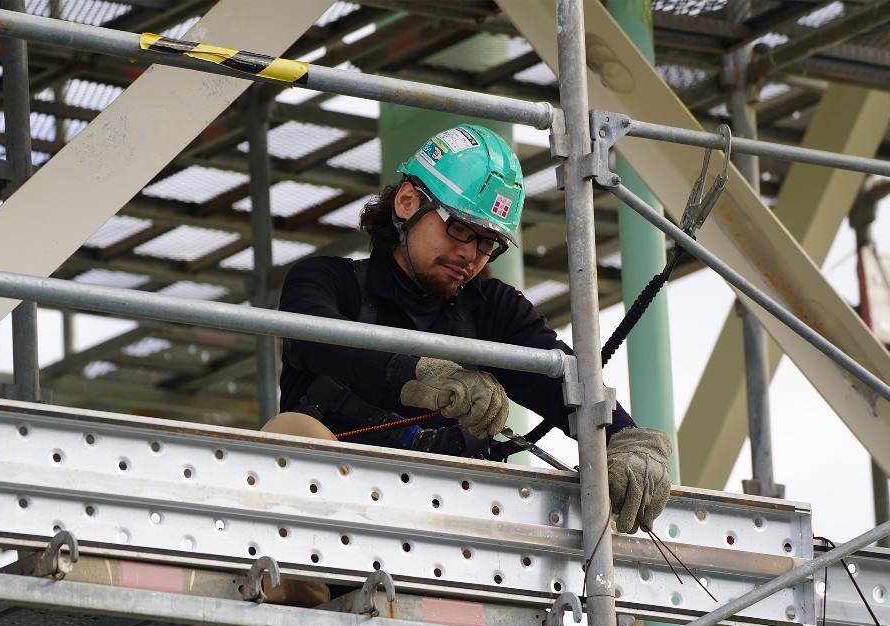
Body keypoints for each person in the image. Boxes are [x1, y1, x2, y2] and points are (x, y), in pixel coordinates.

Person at [277, 124, 672, 534]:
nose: (470, 254)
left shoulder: (492, 309)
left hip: (447, 524)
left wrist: (627, 438)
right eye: (459, 228)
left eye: (487, 243)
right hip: (330, 516)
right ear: (407, 202)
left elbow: (560, 382)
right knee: (290, 434)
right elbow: (317, 340)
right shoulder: (326, 281)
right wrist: (421, 377)